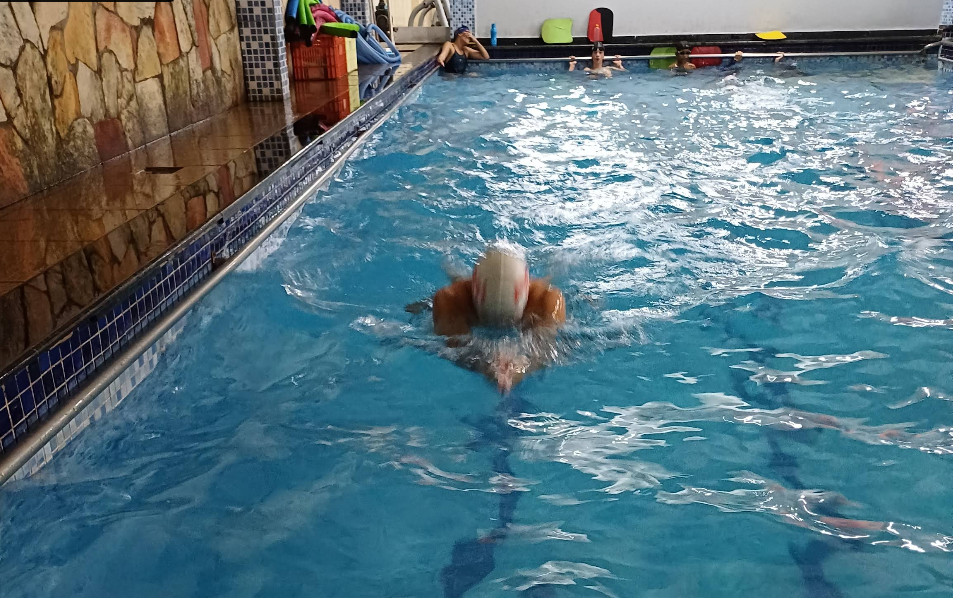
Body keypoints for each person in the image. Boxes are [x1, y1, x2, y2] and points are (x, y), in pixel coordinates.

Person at [431, 245, 566, 392]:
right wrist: (486, 366)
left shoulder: (547, 300)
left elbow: (544, 351)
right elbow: (455, 348)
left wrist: (519, 369)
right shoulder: (450, 300)